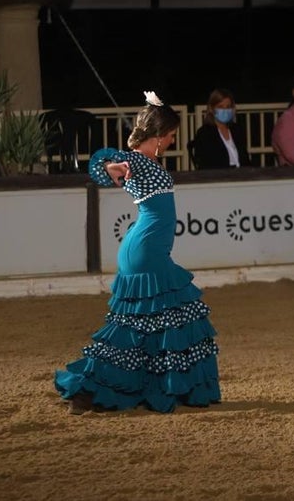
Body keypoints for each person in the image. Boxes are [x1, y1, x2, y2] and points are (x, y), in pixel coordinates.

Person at [55, 91, 221, 414]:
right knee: (145, 323)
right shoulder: (138, 162)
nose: (173, 140)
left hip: (145, 248)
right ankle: (88, 392)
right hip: (145, 251)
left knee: (156, 322)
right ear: (158, 136)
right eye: (171, 135)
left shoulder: (146, 162)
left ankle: (165, 388)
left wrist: (117, 164)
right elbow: (102, 165)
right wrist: (114, 165)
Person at [190, 87, 253, 169]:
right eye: (220, 107)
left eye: (228, 107)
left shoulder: (237, 130)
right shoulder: (205, 133)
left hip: (242, 176)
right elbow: (206, 164)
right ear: (212, 109)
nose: (225, 110)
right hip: (219, 177)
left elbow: (245, 159)